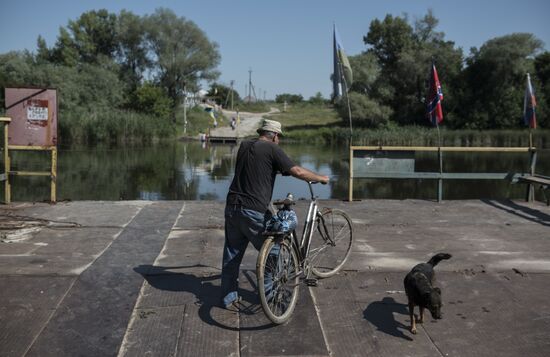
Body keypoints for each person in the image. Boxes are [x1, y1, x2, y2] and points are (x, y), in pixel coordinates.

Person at [221, 119, 329, 309]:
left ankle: (229, 297)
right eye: (279, 137)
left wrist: (278, 169)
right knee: (274, 250)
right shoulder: (272, 149)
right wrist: (320, 177)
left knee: (232, 254)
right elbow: (297, 171)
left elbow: (256, 166)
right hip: (253, 210)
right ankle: (271, 295)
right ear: (275, 136)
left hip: (232, 207)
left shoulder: (245, 145)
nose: (279, 141)